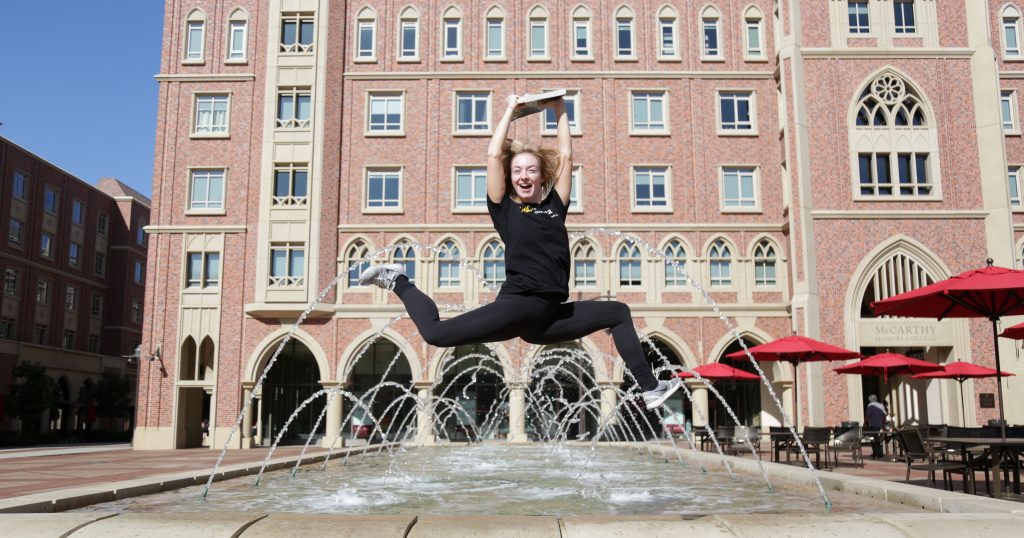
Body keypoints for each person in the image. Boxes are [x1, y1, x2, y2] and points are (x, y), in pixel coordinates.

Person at [359, 93, 681, 410]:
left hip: (550, 317)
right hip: (519, 305)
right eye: (517, 172)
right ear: (511, 180)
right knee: (435, 333)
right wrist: (510, 110)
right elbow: (493, 155)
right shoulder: (505, 211)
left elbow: (567, 156)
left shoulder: (556, 207)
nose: (523, 176)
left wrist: (559, 109)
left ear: (541, 175)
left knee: (619, 313)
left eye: (530, 170)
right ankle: (400, 281)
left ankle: (650, 387)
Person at [865, 394, 886, 460]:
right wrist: (883, 424)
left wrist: (864, 423)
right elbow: (884, 415)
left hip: (873, 425)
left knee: (874, 440)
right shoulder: (881, 405)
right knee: (877, 439)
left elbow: (868, 415)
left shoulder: (870, 405)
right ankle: (875, 453)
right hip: (879, 425)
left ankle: (880, 455)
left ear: (870, 400)